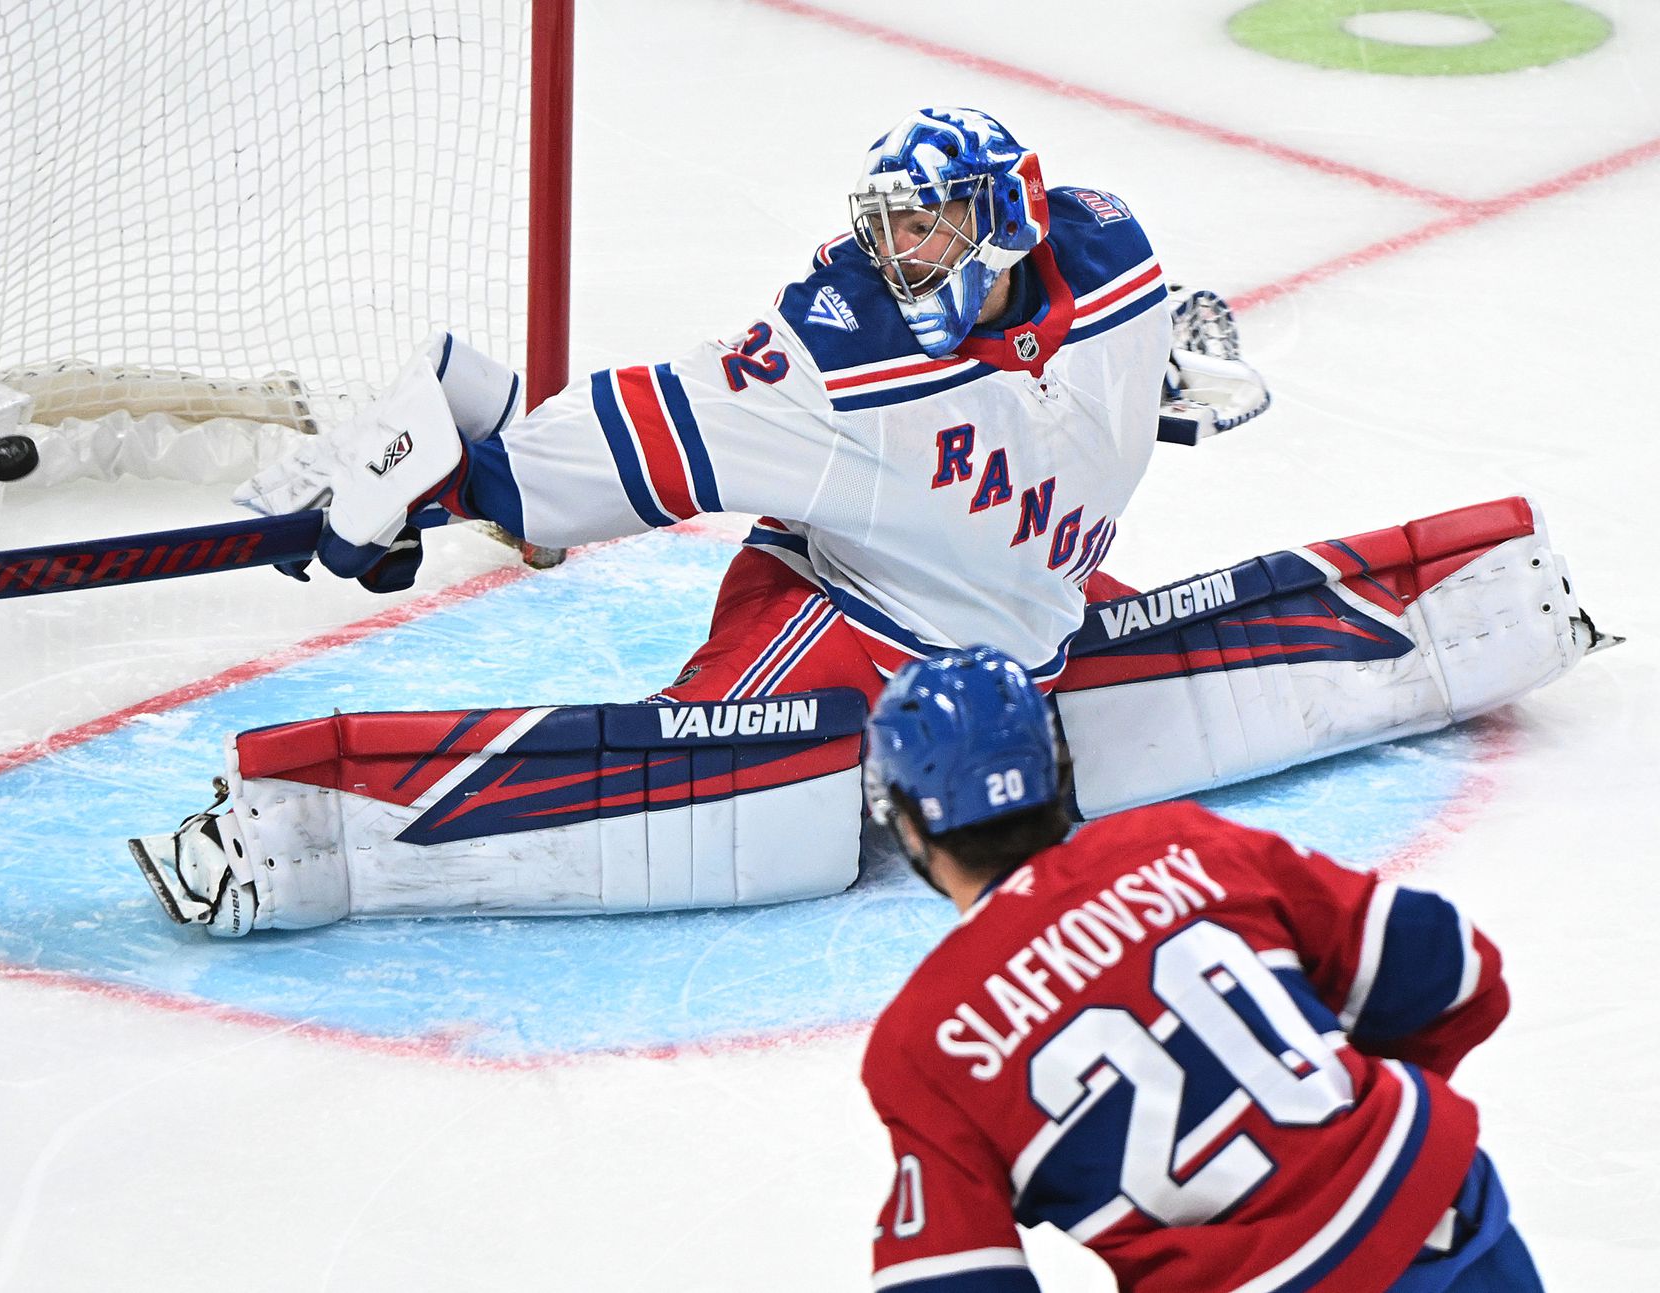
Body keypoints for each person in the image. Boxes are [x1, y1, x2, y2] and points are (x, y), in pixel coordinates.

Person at [127, 106, 1603, 937]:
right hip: (846, 629)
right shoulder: (827, 357)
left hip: (1023, 626)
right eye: (890, 225)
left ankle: (1481, 607)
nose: (900, 252)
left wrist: (1175, 384)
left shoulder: (1114, 260)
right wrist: (445, 482)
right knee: (708, 789)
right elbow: (599, 451)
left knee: (1093, 681)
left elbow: (1134, 373)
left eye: (932, 225)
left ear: (1010, 223)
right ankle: (298, 834)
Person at [859, 645, 1545, 1293]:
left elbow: (952, 1278)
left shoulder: (924, 1042)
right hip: (1441, 1223)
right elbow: (1452, 966)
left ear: (910, 826)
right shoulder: (1184, 845)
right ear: (1057, 771)